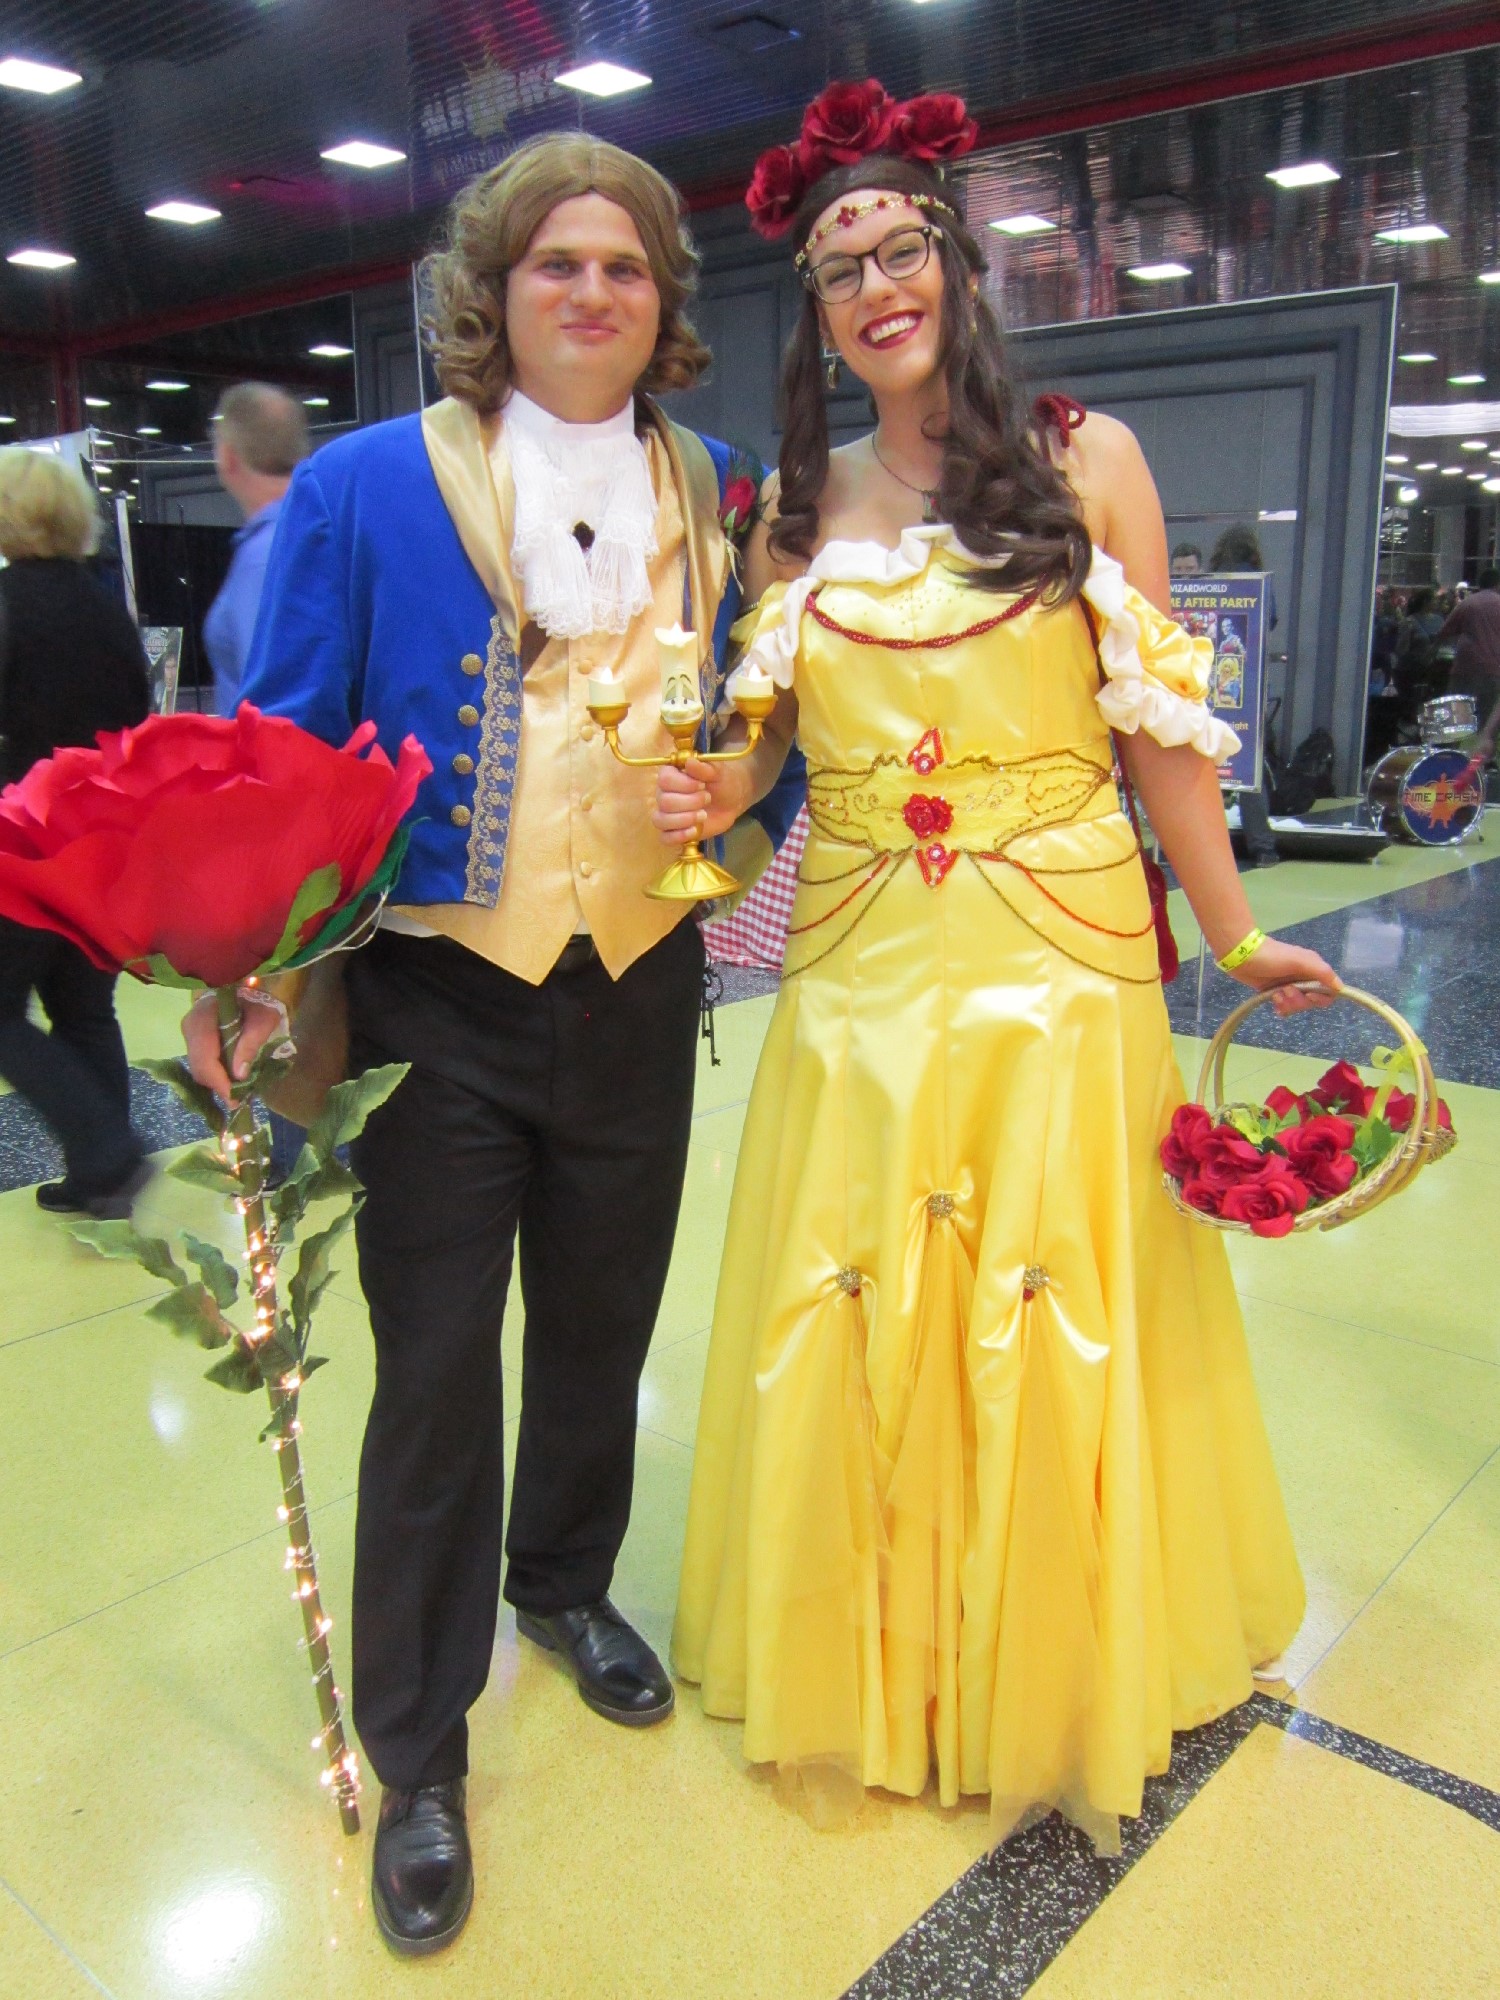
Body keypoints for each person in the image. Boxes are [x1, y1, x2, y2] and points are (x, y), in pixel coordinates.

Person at [660, 81, 1340, 1853]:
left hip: (1063, 963)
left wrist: (1234, 929)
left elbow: (1159, 730)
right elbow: (761, 750)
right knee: (863, 1294)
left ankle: (1052, 1670)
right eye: (839, 271)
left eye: (901, 250)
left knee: (1053, 1297)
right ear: (815, 316)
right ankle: (884, 1669)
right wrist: (712, 790)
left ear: (959, 264)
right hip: (861, 964)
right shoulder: (794, 510)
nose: (876, 288)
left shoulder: (1089, 460)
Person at [182, 134, 793, 1955]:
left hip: (643, 984)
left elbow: (786, 731)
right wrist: (246, 960)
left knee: (603, 1326)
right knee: (438, 1372)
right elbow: (282, 745)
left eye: (624, 265)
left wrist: (741, 809)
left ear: (665, 299)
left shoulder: (726, 488)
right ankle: (421, 1747)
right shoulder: (366, 483)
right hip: (438, 996)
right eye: (556, 264)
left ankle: (565, 1583)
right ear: (495, 291)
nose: (592, 292)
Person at [0, 446, 152, 1216]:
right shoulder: (106, 610)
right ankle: (102, 1178)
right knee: (86, 1007)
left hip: (20, 840)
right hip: (103, 841)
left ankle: (105, 1147)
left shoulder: (5, 605)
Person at [204, 383, 313, 1183]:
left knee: (278, 995)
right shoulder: (316, 533)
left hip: (273, 826)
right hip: (318, 819)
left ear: (227, 456)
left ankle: (298, 1155)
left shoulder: (266, 560)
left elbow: (266, 718)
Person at [203, 384, 309, 719]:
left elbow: (269, 705)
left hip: (269, 750)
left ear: (227, 456)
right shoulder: (319, 526)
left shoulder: (263, 557)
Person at [1208, 523, 1278, 862]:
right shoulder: (1259, 583)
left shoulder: (1210, 581)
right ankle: (1262, 847)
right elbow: (1270, 620)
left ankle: (1207, 846)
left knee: (1207, 764)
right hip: (1248, 687)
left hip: (1209, 684)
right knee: (1249, 767)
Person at [1438, 566, 1500, 765]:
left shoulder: (1468, 603)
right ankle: (1482, 762)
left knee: (1454, 716)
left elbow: (1445, 631)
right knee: (1487, 717)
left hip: (1464, 667)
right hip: (1493, 668)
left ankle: (1447, 758)